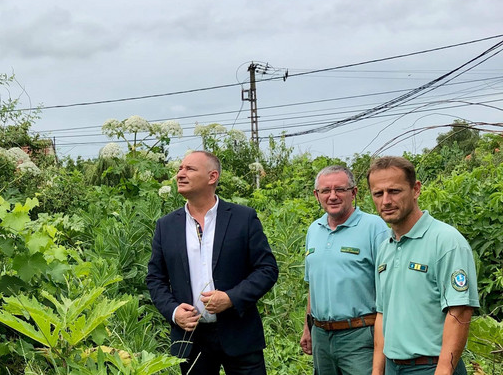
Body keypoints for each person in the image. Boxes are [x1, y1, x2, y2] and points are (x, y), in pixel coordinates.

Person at [146, 151, 279, 375]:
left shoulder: (243, 218)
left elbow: (267, 269)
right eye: (180, 169)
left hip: (240, 334)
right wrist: (174, 311)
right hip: (191, 339)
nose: (180, 174)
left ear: (212, 177)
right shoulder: (166, 226)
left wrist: (231, 298)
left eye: (189, 169)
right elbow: (155, 278)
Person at [367, 156, 479, 375]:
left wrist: (443, 370)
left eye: (394, 191)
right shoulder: (385, 248)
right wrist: (377, 371)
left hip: (432, 367)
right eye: (378, 194)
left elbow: (460, 312)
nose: (386, 201)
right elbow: (382, 315)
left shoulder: (446, 242)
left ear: (416, 189)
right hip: (393, 367)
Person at [300, 165, 388, 374]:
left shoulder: (374, 227)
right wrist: (308, 327)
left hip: (360, 335)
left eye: (339, 189)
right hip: (321, 335)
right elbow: (313, 285)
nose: (332, 196)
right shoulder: (314, 229)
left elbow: (389, 284)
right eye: (325, 191)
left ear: (354, 192)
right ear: (316, 195)